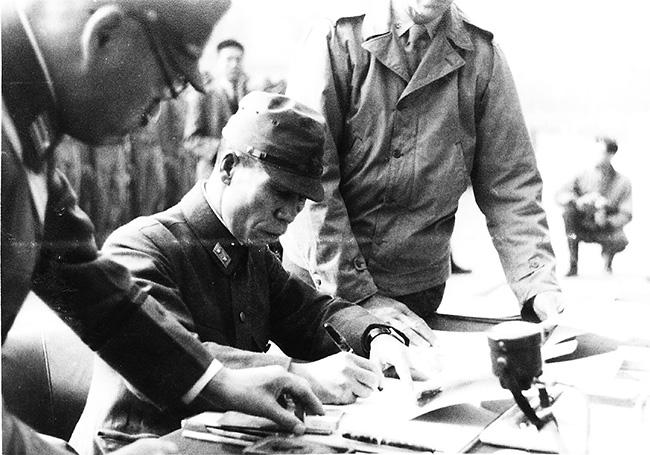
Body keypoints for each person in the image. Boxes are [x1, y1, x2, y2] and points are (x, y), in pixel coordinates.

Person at [1, 1, 324, 454]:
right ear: (105, 36)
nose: (152, 117)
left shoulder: (23, 117)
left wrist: (217, 382)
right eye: (162, 90)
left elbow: (92, 288)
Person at [71, 91, 426, 454]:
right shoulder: (142, 246)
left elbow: (312, 313)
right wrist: (298, 373)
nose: (290, 214)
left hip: (222, 440)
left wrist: (376, 336)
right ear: (228, 167)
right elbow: (171, 357)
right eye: (280, 191)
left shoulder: (253, 252)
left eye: (300, 200)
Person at [281, 0, 565, 345]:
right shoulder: (335, 38)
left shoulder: (482, 54)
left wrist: (538, 286)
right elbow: (309, 179)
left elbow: (511, 184)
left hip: (416, 294)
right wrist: (361, 297)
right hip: (319, 286)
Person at [556, 136, 632, 276]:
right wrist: (578, 201)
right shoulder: (582, 175)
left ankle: (607, 264)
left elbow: (626, 213)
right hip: (582, 226)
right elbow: (560, 195)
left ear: (610, 154)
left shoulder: (622, 182)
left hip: (605, 229)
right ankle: (573, 264)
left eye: (600, 152)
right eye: (594, 152)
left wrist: (607, 220)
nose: (596, 156)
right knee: (568, 214)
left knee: (620, 240)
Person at [184, 39, 249, 181]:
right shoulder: (203, 95)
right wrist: (224, 148)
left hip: (243, 176)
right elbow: (191, 139)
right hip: (212, 174)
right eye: (229, 59)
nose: (234, 64)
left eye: (238, 60)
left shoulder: (250, 95)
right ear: (218, 62)